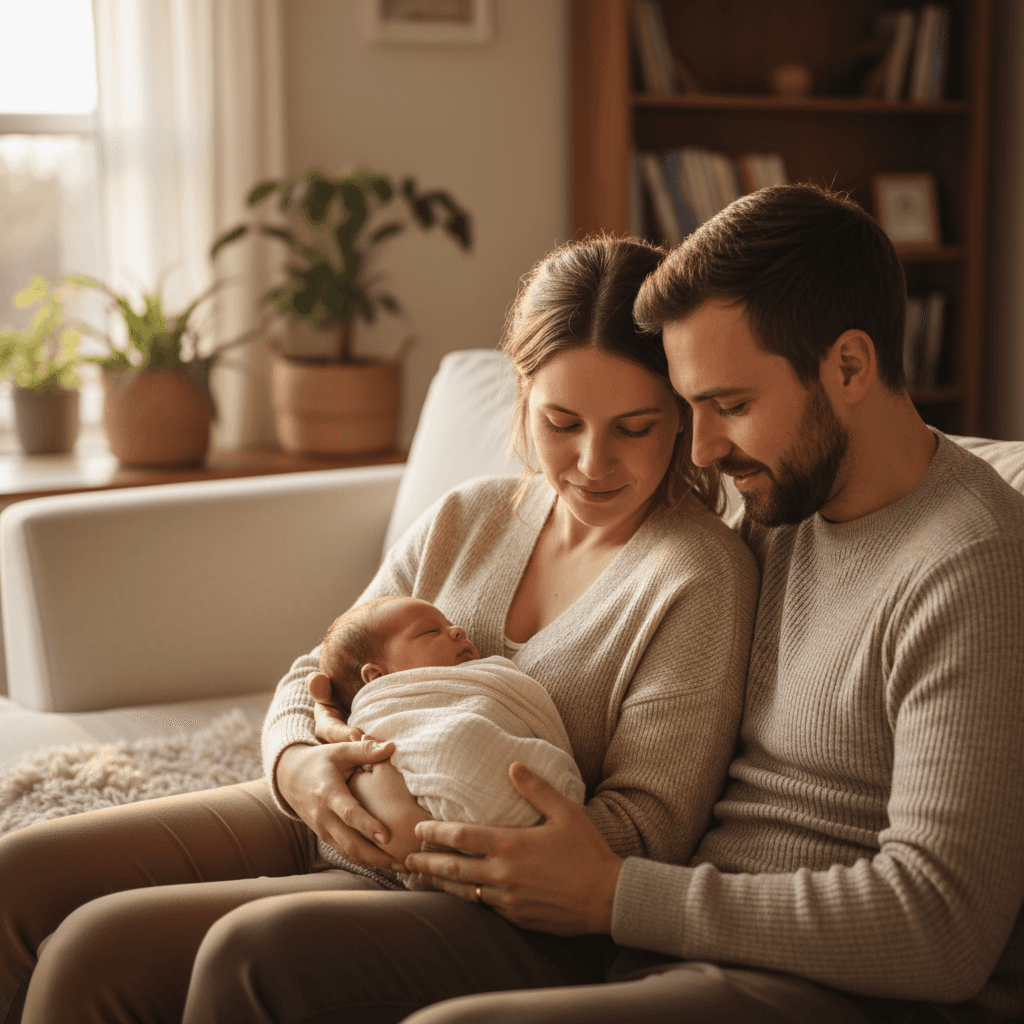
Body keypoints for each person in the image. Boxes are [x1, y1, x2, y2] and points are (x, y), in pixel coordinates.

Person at [0, 235, 759, 1024]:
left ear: (681, 418)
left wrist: (411, 833)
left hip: (481, 890)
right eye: (561, 422)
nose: (593, 463)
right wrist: (298, 765)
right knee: (19, 876)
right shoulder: (474, 515)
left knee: (102, 950)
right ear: (523, 396)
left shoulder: (698, 576)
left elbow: (646, 832)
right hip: (322, 805)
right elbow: (318, 670)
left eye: (634, 429)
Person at [365, 184, 1022, 1024]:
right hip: (670, 941)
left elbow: (942, 927)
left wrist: (617, 896)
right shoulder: (777, 503)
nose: (703, 450)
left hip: (828, 986)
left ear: (850, 366)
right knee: (259, 961)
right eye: (690, 408)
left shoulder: (971, 567)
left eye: (731, 405)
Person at [313, 594, 585, 883]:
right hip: (348, 838)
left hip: (514, 860)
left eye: (451, 626)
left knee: (279, 922)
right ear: (377, 675)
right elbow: (315, 670)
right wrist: (302, 747)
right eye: (432, 631)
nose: (458, 631)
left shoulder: (481, 681)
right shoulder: (384, 707)